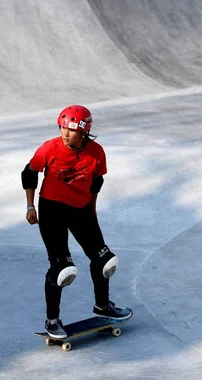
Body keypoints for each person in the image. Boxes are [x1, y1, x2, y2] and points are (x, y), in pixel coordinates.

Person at [21, 104, 132, 339]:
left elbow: (95, 184)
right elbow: (29, 172)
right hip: (52, 210)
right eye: (63, 128)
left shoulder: (96, 152)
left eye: (71, 130)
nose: (65, 134)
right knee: (63, 269)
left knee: (105, 261)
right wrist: (30, 206)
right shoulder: (49, 149)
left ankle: (103, 307)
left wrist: (92, 211)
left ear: (83, 131)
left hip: (81, 210)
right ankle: (52, 320)